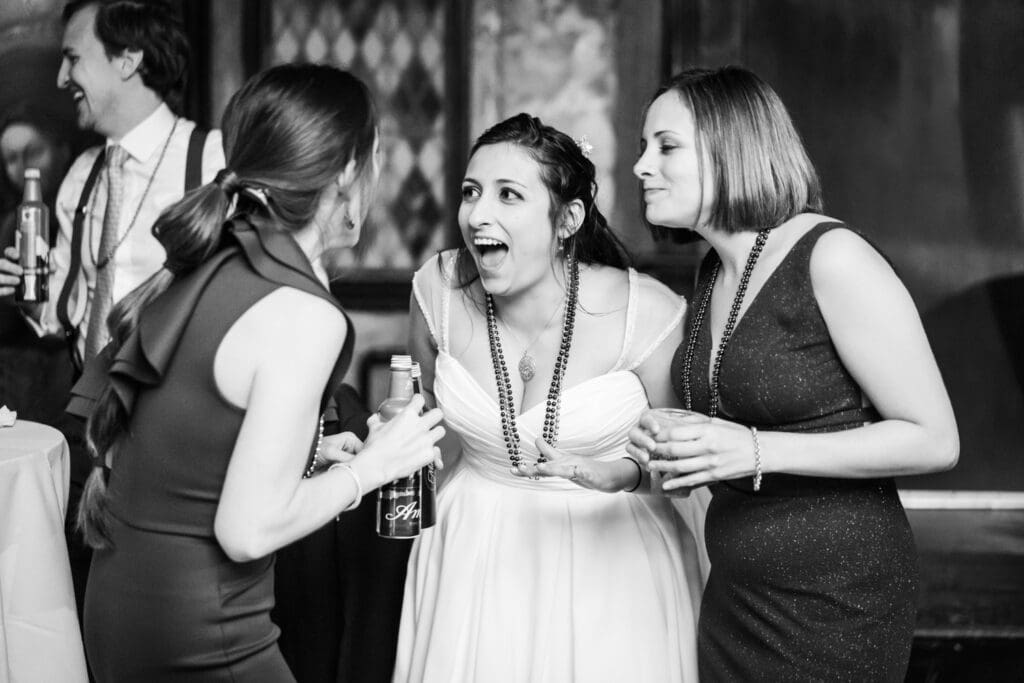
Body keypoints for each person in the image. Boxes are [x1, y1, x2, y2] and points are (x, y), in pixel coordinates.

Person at [70, 63, 446, 681]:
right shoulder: (303, 313)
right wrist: (370, 468)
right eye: (375, 156)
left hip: (122, 611)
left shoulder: (213, 255)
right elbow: (246, 532)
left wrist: (308, 453)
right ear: (350, 171)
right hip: (206, 636)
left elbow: (186, 439)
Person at [626, 65, 959, 681]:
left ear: (734, 149)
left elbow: (935, 438)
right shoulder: (714, 270)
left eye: (665, 147)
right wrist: (670, 447)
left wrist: (752, 448)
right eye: (642, 148)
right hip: (734, 596)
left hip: (834, 598)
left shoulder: (832, 257)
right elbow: (730, 430)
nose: (643, 166)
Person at [394, 113, 706, 682]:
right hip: (471, 559)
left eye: (508, 195)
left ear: (567, 219)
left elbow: (690, 471)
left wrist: (619, 474)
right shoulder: (435, 290)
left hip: (613, 572)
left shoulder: (649, 315)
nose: (477, 214)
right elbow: (418, 435)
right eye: (471, 192)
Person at [0, 0, 224, 624]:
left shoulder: (211, 162)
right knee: (86, 604)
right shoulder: (78, 176)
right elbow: (65, 315)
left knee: (169, 611)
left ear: (128, 59)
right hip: (90, 428)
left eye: (74, 59)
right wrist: (30, 294)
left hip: (178, 436)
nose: (61, 79)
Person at [0, 105, 75, 425]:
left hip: (71, 369)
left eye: (33, 152)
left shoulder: (81, 217)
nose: (23, 167)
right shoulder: (9, 223)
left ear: (62, 150)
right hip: (18, 376)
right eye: (11, 158)